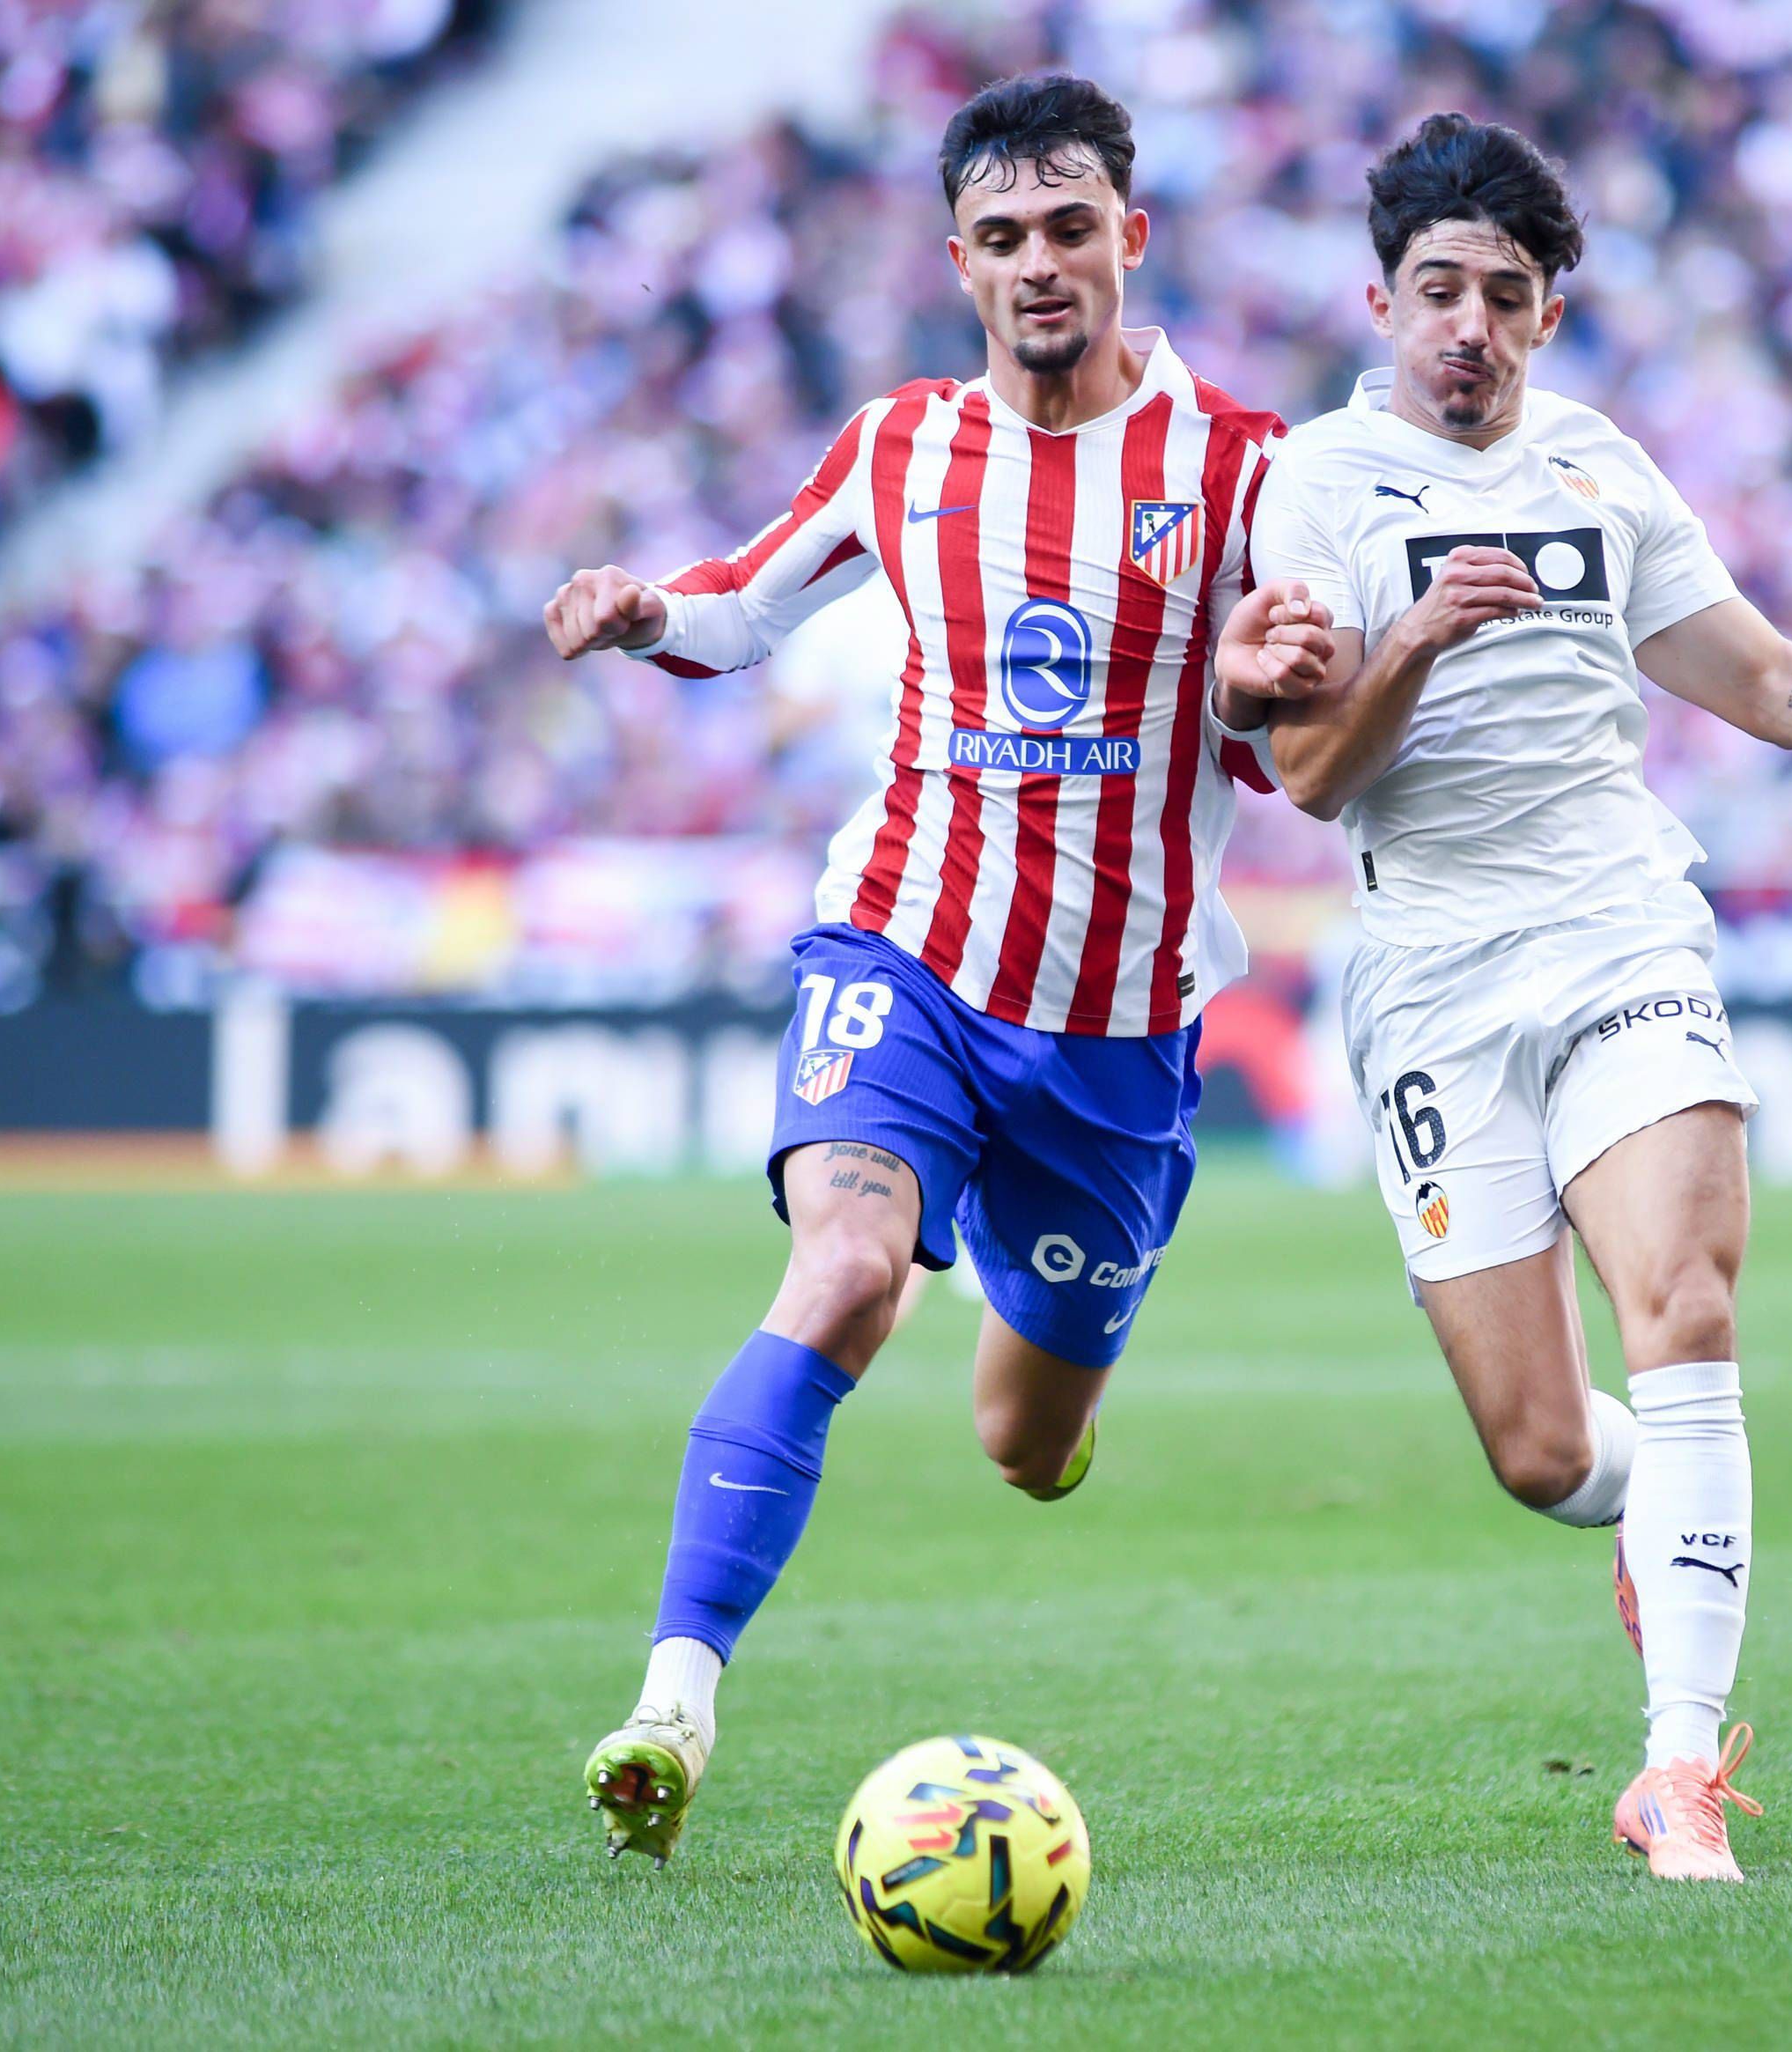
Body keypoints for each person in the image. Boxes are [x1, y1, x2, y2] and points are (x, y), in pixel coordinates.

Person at [1216, 114, 1792, 1882]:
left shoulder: (1602, 472)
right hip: (1430, 975)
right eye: (1438, 291)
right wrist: (1412, 641)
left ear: (1549, 315)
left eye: (1506, 296)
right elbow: (1310, 777)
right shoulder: (1315, 482)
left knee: (1686, 1305)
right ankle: (1652, 1523)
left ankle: (1679, 1770)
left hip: (1620, 926)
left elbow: (1769, 680)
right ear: (1380, 301)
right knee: (1540, 1450)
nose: (1469, 326)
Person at [541, 74, 1294, 1863]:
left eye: (1071, 229)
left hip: (1115, 1031)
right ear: (959, 259)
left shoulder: (1246, 467)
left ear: (1133, 236)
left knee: (1027, 1445)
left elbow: (1294, 730)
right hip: (907, 953)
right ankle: (673, 1700)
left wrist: (1283, 694)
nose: (1041, 264)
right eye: (1004, 237)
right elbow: (739, 602)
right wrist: (649, 613)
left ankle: (1039, 1366)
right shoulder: (902, 448)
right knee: (849, 1271)